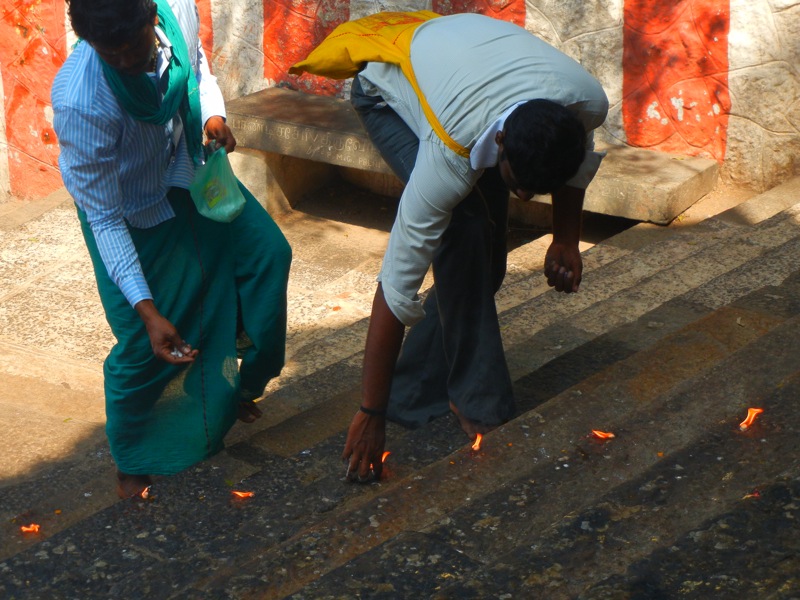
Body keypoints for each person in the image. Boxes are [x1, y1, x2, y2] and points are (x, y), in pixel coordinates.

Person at [291, 11, 608, 482]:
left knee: (488, 265)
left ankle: (411, 394)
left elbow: (572, 163)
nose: (523, 199)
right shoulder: (451, 151)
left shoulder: (586, 103)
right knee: (463, 228)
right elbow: (396, 286)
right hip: (390, 93)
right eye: (518, 185)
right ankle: (481, 404)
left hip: (470, 73)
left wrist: (565, 238)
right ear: (501, 142)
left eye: (535, 191)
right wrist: (369, 411)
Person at [52, 0, 292, 498]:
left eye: (132, 47)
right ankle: (135, 463)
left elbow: (196, 63)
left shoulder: (176, 9)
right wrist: (146, 310)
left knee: (267, 256)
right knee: (149, 342)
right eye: (110, 53)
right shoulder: (81, 101)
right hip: (131, 211)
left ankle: (238, 387)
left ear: (152, 20)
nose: (124, 61)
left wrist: (213, 114)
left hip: (189, 173)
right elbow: (104, 218)